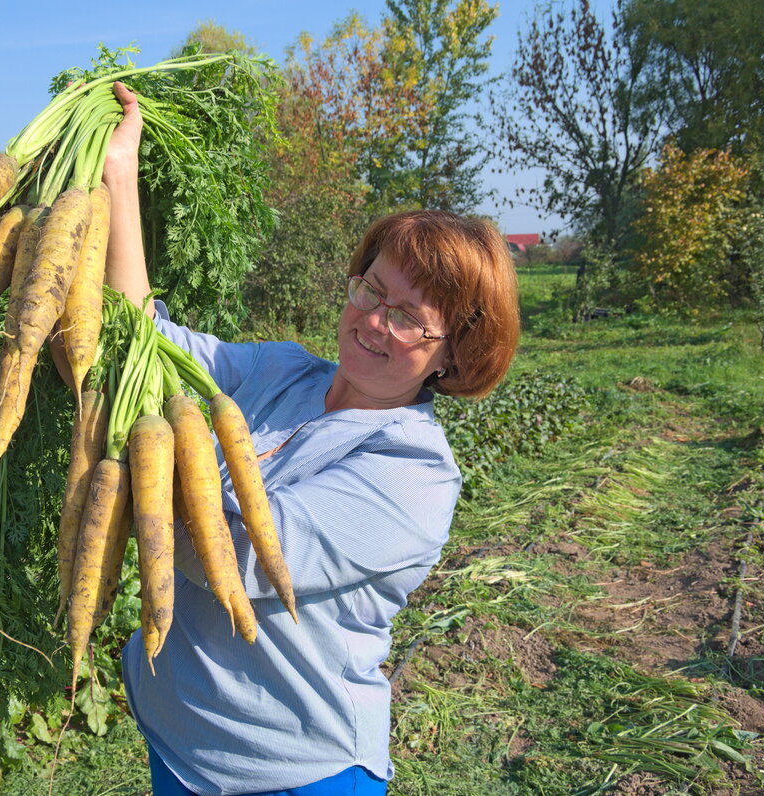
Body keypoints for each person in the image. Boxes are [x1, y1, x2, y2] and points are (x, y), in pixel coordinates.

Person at [102, 82, 520, 796]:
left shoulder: (413, 472)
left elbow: (235, 561)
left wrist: (134, 458)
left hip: (293, 769)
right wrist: (118, 175)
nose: (373, 323)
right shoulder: (279, 371)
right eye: (370, 291)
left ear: (454, 353)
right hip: (180, 743)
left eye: (409, 317)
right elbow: (140, 339)